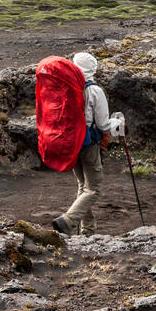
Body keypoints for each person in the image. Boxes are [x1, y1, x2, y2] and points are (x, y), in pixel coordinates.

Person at [52, 52, 111, 235]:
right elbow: (103, 124)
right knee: (93, 188)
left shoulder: (65, 86)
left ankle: (87, 231)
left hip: (68, 141)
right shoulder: (94, 90)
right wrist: (119, 124)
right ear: (93, 69)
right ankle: (68, 220)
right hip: (88, 143)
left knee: (82, 185)